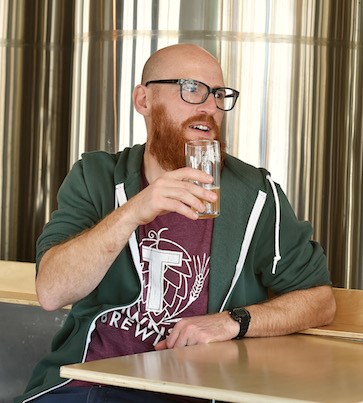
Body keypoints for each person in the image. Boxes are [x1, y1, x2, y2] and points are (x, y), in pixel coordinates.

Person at [18, 43, 335, 402]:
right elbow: (52, 291)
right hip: (89, 383)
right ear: (143, 100)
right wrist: (134, 211)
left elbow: (319, 300)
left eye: (218, 94)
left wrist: (235, 321)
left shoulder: (257, 196)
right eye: (191, 89)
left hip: (198, 390)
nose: (210, 107)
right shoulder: (96, 177)